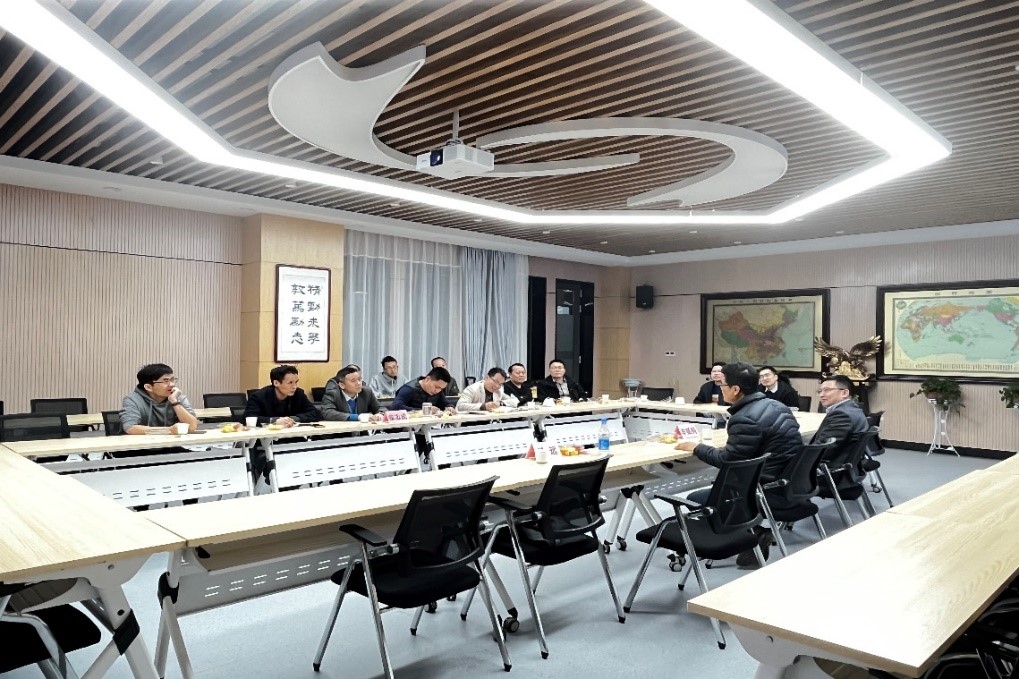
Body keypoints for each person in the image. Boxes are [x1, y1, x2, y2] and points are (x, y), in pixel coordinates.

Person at [674, 362, 802, 567]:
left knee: (695, 498)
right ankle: (750, 533)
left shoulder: (744, 418)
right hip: (788, 482)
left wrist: (697, 447)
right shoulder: (777, 406)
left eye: (722, 385)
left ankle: (749, 534)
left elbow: (728, 462)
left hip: (764, 488)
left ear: (735, 389)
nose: (719, 389)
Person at [121, 363, 200, 434]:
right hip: (142, 444)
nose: (172, 384)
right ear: (148, 387)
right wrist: (169, 430)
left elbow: (192, 426)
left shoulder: (177, 397)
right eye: (166, 381)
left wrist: (174, 402)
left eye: (172, 380)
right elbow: (130, 428)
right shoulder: (132, 400)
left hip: (172, 443)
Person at [244, 365, 321, 427]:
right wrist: (275, 421)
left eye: (296, 382)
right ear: (276, 383)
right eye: (290, 383)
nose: (294, 386)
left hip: (292, 436)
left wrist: (294, 419)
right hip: (266, 437)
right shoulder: (258, 397)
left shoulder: (298, 394)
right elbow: (248, 419)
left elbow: (316, 413)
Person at [812, 374, 869, 458]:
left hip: (832, 462)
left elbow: (823, 450)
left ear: (844, 393)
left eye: (827, 390)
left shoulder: (841, 415)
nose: (821, 395)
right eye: (820, 391)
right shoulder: (853, 409)